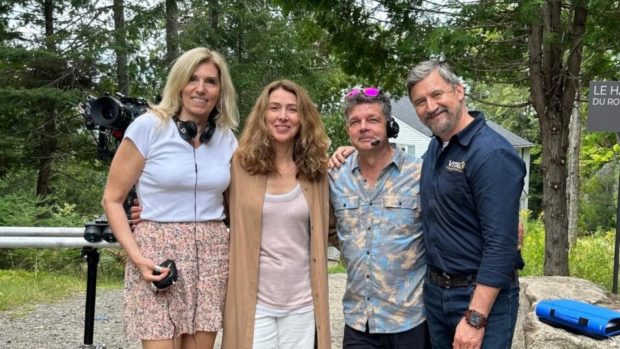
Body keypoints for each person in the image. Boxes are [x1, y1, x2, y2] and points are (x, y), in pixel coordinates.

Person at [102, 47, 239, 349]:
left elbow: (239, 200)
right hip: (156, 254)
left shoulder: (227, 138)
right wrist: (137, 258)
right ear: (179, 83)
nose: (200, 89)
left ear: (220, 90)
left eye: (210, 81)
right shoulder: (149, 127)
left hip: (212, 253)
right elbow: (112, 199)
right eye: (192, 79)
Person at [407, 60, 525, 349]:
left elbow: (501, 244)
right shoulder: (435, 149)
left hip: (480, 299)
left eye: (437, 95)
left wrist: (475, 318)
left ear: (459, 91)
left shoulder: (492, 153)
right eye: (420, 102)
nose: (430, 106)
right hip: (437, 295)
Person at [222, 80, 332, 349]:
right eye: (275, 108)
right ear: (263, 115)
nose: (283, 116)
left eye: (292, 110)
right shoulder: (239, 165)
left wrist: (352, 153)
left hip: (303, 303)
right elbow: (208, 208)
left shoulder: (317, 170)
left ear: (303, 118)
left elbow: (334, 227)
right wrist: (147, 209)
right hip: (255, 303)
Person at [329, 87, 429, 348]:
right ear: (348, 129)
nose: (364, 127)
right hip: (359, 322)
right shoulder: (334, 176)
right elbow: (327, 227)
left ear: (389, 125)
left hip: (410, 320)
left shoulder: (420, 174)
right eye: (355, 122)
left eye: (372, 120)